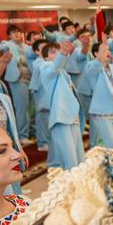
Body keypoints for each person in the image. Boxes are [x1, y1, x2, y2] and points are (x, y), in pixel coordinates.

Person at [39, 40, 84, 170]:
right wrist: (63, 54)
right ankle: (71, 183)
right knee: (70, 161)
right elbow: (53, 68)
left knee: (79, 158)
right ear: (46, 57)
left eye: (58, 51)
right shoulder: (45, 67)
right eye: (53, 52)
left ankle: (81, 182)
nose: (57, 54)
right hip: (61, 117)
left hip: (72, 116)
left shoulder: (63, 72)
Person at [0, 25, 32, 142]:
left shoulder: (27, 47)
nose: (17, 34)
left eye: (18, 32)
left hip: (31, 79)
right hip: (18, 80)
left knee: (32, 108)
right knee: (22, 109)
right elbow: (0, 46)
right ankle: (23, 136)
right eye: (13, 32)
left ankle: (33, 132)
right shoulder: (8, 44)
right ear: (9, 35)